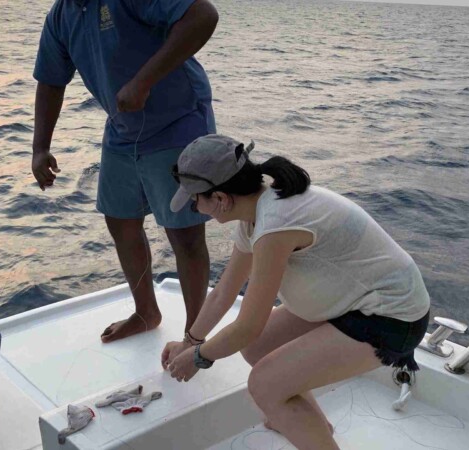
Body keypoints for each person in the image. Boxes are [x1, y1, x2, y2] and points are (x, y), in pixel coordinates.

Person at [161, 135, 431, 450]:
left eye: (196, 198)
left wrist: (198, 358)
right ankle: (311, 425)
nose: (195, 206)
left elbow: (248, 325)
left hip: (392, 318)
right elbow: (224, 292)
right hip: (354, 302)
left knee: (264, 385)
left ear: (220, 197)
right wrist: (189, 341)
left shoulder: (276, 224)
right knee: (258, 348)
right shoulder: (257, 211)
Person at [31, 0, 219, 343]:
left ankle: (195, 336)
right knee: (119, 219)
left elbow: (203, 15)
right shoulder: (61, 15)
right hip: (122, 128)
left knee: (185, 233)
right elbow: (50, 80)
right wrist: (40, 147)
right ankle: (146, 312)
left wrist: (144, 81)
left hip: (177, 121)